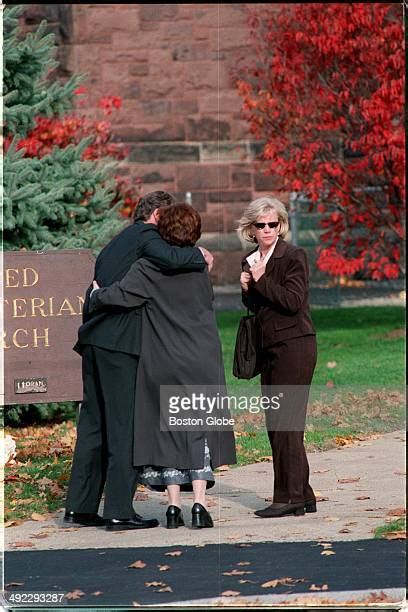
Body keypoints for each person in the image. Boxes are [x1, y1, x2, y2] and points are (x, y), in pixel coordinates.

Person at [64, 191, 214, 531]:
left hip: (94, 341)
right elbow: (176, 259)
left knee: (94, 426)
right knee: (125, 427)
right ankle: (118, 510)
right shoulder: (147, 237)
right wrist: (201, 256)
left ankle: (80, 507)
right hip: (121, 347)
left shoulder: (118, 241)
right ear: (158, 215)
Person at [90, 204, 237, 529]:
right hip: (200, 356)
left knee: (168, 429)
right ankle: (199, 504)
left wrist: (95, 296)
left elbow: (121, 296)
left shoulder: (146, 269)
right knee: (197, 426)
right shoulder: (199, 267)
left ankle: (172, 507)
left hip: (163, 359)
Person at [237, 195, 317, 518]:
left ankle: (289, 497)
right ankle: (304, 494)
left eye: (273, 224)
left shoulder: (293, 255)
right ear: (251, 229)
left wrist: (261, 280)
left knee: (287, 424)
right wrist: (247, 290)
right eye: (261, 225)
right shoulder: (250, 260)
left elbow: (293, 301)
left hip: (296, 346)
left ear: (281, 226)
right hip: (268, 349)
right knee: (277, 424)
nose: (268, 229)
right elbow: (259, 310)